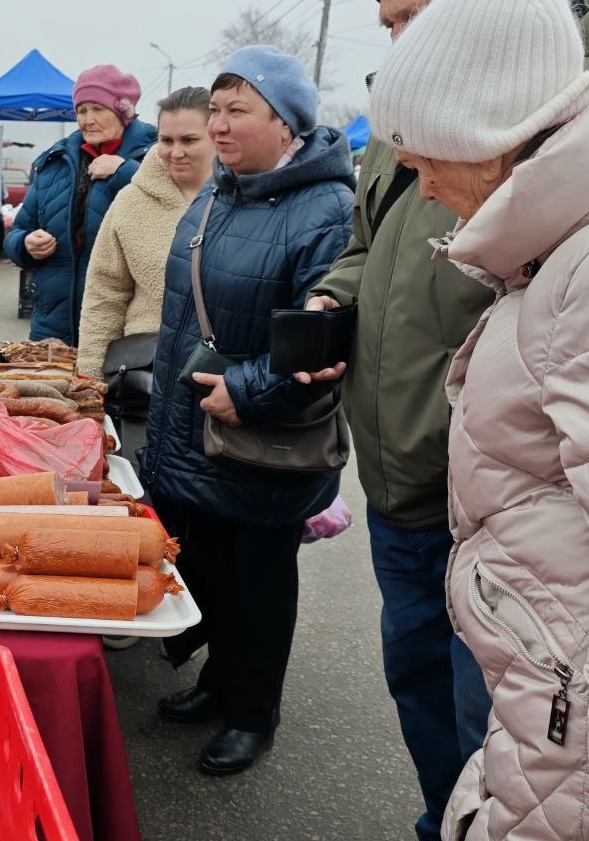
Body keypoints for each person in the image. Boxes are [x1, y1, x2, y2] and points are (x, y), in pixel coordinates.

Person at [300, 0, 589, 840]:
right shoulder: (432, 131)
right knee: (427, 688)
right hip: (409, 474)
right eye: (389, 24)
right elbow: (369, 248)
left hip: (503, 510)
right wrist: (333, 306)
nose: (423, 186)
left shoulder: (579, 248)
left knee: (510, 722)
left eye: (414, 20)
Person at [140, 46, 353, 775]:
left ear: (287, 123)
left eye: (239, 110)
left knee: (260, 587)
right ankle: (218, 682)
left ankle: (254, 713)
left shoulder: (326, 210)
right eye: (216, 110)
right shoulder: (219, 192)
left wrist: (249, 392)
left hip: (260, 437)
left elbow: (327, 340)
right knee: (210, 572)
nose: (219, 126)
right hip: (195, 427)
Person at [3, 64, 155, 345]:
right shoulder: (56, 162)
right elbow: (17, 232)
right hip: (52, 326)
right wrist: (25, 244)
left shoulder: (155, 156)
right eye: (82, 110)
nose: (88, 120)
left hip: (121, 328)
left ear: (122, 111)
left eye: (98, 109)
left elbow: (169, 213)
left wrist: (123, 172)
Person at [76, 86, 215, 378]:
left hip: (223, 373)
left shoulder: (244, 200)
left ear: (216, 136)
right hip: (145, 370)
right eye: (166, 140)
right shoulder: (130, 201)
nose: (176, 152)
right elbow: (104, 295)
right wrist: (91, 379)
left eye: (189, 140)